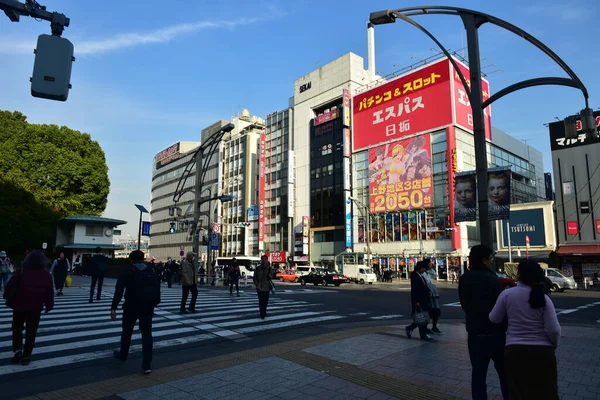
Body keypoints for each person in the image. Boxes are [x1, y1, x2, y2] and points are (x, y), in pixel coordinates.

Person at [489, 260, 561, 400]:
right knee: (546, 392)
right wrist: (554, 345)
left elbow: (494, 318)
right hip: (543, 353)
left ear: (519, 274)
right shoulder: (544, 298)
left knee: (518, 392)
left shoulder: (507, 294)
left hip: (514, 351)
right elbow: (554, 330)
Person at [459, 245, 508, 400]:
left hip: (474, 333)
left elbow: (464, 304)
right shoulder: (492, 279)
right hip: (496, 334)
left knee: (478, 375)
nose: (492, 262)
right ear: (484, 260)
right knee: (505, 375)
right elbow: (500, 309)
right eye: (491, 259)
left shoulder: (464, 278)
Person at [111, 250, 160, 375]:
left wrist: (114, 307)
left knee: (127, 331)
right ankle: (147, 365)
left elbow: (119, 290)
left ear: (131, 260)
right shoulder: (151, 269)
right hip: (148, 306)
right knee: (147, 334)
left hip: (131, 305)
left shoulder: (128, 270)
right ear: (143, 259)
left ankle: (123, 354)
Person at [3, 250, 54, 366]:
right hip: (35, 306)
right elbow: (49, 292)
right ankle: (26, 355)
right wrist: (49, 305)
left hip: (19, 305)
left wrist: (6, 296)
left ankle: (17, 350)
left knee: (17, 328)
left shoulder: (21, 272)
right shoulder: (46, 274)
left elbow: (10, 286)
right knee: (31, 331)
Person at [405, 261, 434, 341]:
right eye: (424, 268)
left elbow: (425, 286)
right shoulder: (415, 275)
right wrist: (416, 301)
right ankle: (422, 334)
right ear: (420, 268)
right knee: (422, 317)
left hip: (424, 299)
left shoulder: (420, 276)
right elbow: (415, 290)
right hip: (419, 301)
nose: (424, 270)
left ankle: (412, 329)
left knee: (423, 317)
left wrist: (429, 292)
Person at [423, 259, 442, 334]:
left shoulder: (428, 272)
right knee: (428, 311)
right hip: (427, 293)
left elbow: (435, 275)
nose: (431, 264)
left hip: (433, 294)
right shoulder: (422, 273)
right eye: (429, 263)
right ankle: (425, 327)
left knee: (436, 310)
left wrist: (431, 269)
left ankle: (434, 326)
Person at [253, 255, 272, 319]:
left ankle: (264, 311)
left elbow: (271, 277)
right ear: (261, 260)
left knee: (265, 301)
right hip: (259, 287)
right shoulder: (258, 268)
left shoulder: (269, 268)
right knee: (261, 301)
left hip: (267, 287)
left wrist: (269, 276)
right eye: (263, 259)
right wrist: (256, 284)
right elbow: (254, 278)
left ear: (267, 260)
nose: (264, 261)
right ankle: (262, 313)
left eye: (265, 259)